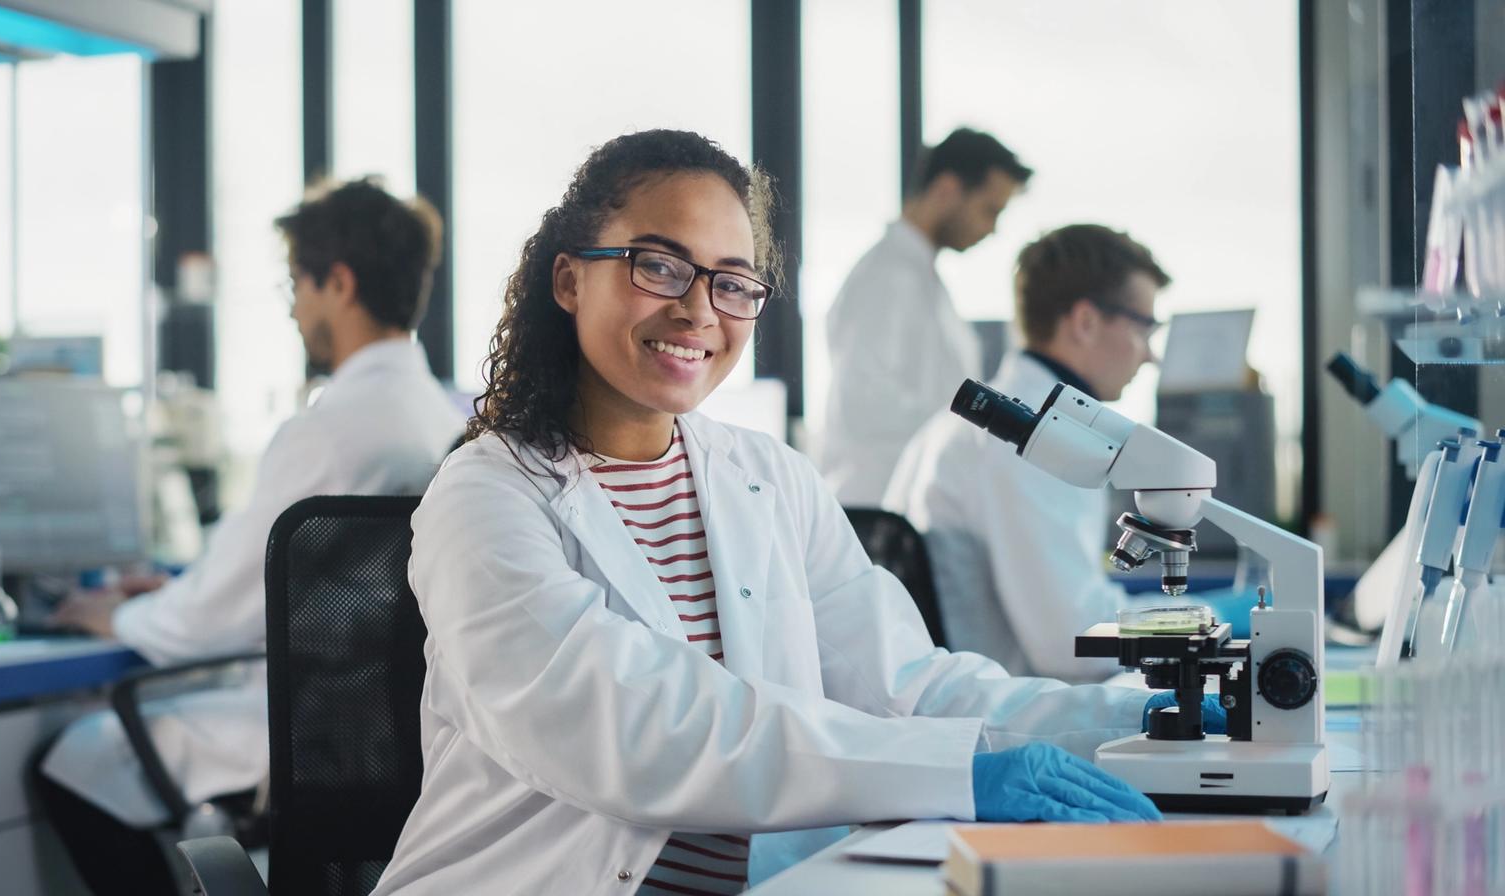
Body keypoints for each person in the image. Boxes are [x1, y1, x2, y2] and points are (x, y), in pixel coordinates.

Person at [371, 131, 1214, 896]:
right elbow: (642, 729)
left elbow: (910, 689)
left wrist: (1129, 718)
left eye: (732, 282)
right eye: (657, 266)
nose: (698, 309)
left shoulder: (770, 479)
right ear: (568, 276)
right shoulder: (482, 498)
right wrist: (963, 768)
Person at [36, 178, 467, 896]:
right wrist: (179, 589)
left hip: (302, 728)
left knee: (76, 760)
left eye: (295, 284)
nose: (295, 308)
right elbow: (301, 581)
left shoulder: (328, 428)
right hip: (380, 729)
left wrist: (122, 614)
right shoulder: (433, 413)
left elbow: (215, 617)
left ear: (338, 282)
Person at [885, 224, 1245, 680]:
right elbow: (1074, 642)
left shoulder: (959, 425)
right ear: (1085, 322)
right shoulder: (1040, 440)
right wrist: (1210, 616)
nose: (1150, 356)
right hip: (1015, 713)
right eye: (1145, 328)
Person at [818, 127, 1030, 507]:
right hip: (877, 507)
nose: (993, 228)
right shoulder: (885, 278)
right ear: (947, 189)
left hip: (904, 501)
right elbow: (865, 403)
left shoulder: (918, 279)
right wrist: (978, 429)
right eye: (989, 210)